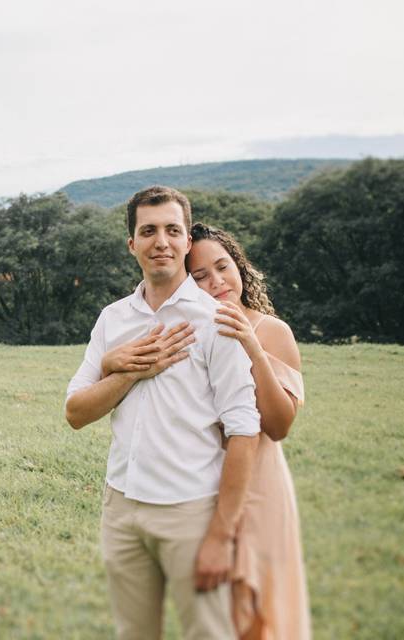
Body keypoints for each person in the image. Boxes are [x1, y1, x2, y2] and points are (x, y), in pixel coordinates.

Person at [65, 186, 262, 639]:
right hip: (121, 509)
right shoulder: (112, 320)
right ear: (131, 244)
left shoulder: (216, 320)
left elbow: (244, 431)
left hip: (191, 512)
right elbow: (75, 411)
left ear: (188, 241)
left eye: (173, 230)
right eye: (148, 230)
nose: (161, 241)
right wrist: (133, 371)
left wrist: (220, 534)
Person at [101, 222, 311, 639]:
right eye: (200, 276)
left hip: (259, 483)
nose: (216, 283)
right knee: (215, 610)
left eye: (223, 267)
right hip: (202, 482)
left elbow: (279, 424)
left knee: (257, 608)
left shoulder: (273, 331)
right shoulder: (190, 328)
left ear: (240, 267)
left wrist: (250, 344)